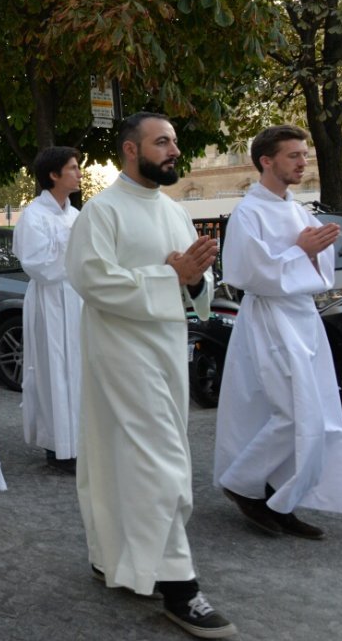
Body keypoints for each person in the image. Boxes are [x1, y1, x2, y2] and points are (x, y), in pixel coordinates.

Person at [65, 112, 235, 639]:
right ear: (130, 151)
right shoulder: (102, 211)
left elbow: (194, 291)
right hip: (119, 353)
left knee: (125, 455)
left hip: (164, 351)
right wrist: (169, 276)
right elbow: (91, 280)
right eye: (162, 142)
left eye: (176, 143)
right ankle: (180, 586)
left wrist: (194, 278)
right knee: (158, 462)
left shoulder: (173, 210)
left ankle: (110, 554)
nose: (174, 151)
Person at [214, 125, 342, 540]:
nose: (302, 162)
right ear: (266, 161)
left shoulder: (299, 211)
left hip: (303, 318)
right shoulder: (248, 212)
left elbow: (322, 274)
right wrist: (301, 251)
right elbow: (245, 274)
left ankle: (282, 497)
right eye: (293, 155)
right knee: (293, 412)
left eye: (304, 154)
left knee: (318, 411)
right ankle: (242, 483)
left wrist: (313, 254)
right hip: (269, 319)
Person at [13, 146, 83, 474]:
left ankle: (79, 442)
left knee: (77, 371)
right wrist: (74, 253)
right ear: (53, 175)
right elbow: (36, 263)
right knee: (53, 370)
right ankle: (58, 446)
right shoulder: (34, 215)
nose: (79, 173)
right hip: (50, 300)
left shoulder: (75, 215)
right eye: (73, 168)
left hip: (77, 300)